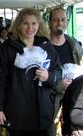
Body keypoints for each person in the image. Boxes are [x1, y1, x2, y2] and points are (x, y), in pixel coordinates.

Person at [0, 8, 62, 136]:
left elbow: (58, 71)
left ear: (39, 25)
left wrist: (49, 76)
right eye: (25, 23)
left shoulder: (46, 46)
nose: (30, 28)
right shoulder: (7, 48)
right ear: (18, 25)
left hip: (42, 115)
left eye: (34, 23)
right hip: (17, 115)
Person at [49, 7, 83, 135]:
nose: (60, 23)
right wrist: (59, 85)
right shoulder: (43, 47)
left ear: (67, 22)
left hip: (73, 100)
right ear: (50, 22)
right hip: (52, 103)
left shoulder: (73, 44)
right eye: (56, 20)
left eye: (63, 19)